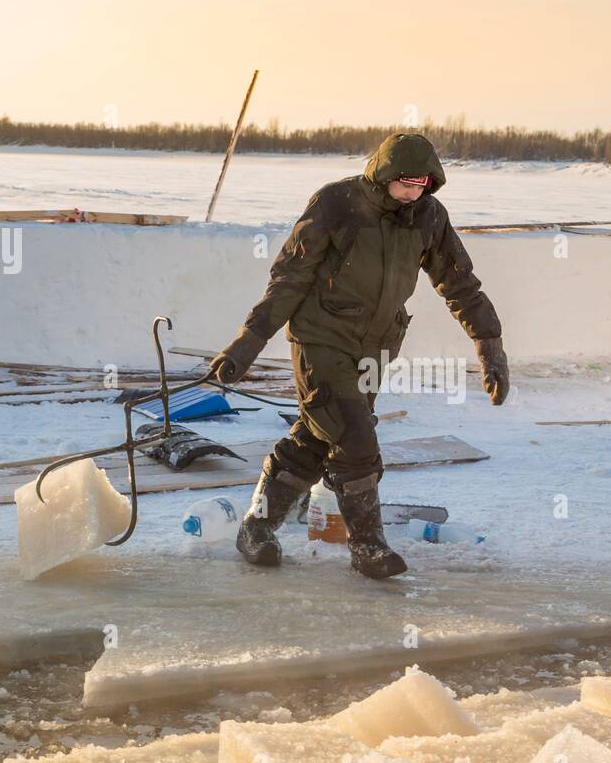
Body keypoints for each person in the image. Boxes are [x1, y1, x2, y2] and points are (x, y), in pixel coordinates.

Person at [209, 132, 509, 579]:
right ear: (384, 173)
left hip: (376, 348)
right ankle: (367, 546)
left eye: (422, 185)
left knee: (317, 438)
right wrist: (247, 343)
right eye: (404, 184)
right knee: (355, 437)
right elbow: (288, 278)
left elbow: (460, 282)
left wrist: (489, 344)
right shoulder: (336, 204)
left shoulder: (428, 216)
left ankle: (257, 525)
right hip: (321, 339)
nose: (413, 193)